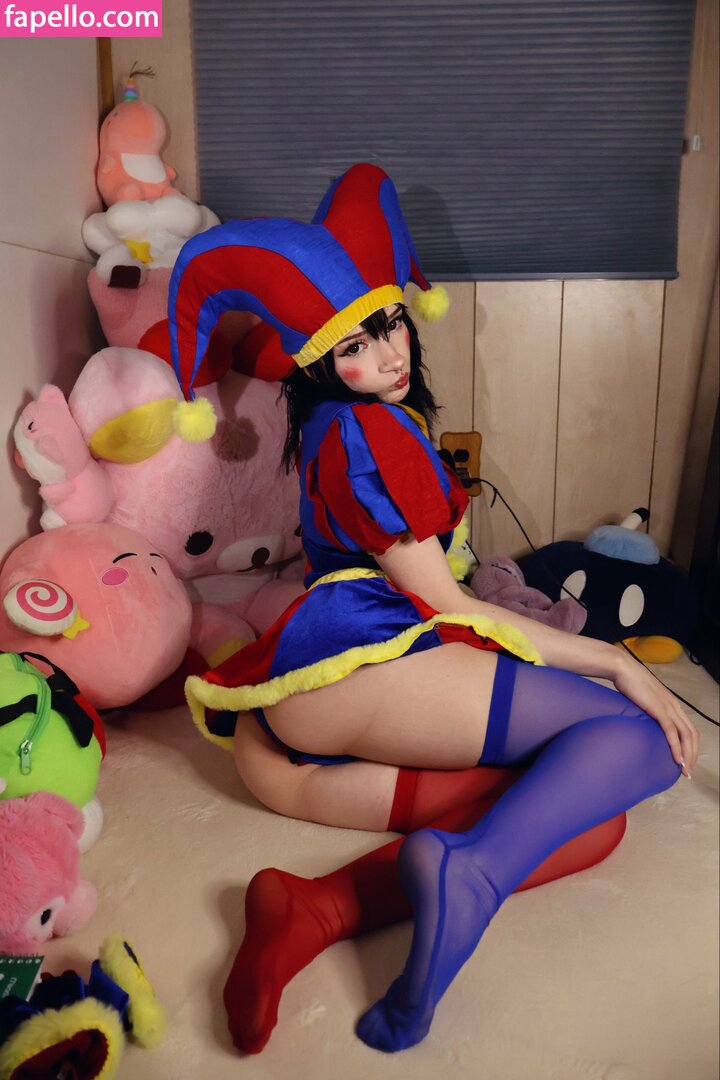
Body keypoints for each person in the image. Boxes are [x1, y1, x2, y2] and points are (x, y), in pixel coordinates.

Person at [168, 163, 698, 1053]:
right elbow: (446, 601)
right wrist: (614, 660)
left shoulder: (351, 423)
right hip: (359, 663)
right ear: (318, 365)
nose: (387, 355)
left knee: (587, 814)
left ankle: (316, 907)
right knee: (637, 736)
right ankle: (472, 878)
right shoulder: (368, 432)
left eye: (389, 325)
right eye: (354, 346)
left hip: (339, 685)